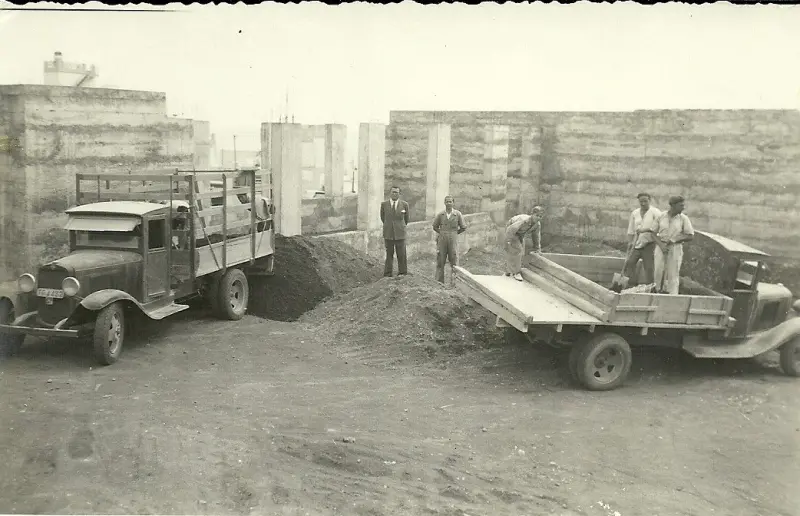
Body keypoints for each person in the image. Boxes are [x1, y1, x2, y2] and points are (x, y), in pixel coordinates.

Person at [652, 195, 695, 294]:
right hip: (660, 247)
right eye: (681, 205)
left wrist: (675, 240)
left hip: (675, 249)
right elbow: (652, 233)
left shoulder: (683, 219)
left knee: (673, 274)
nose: (683, 208)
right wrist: (661, 245)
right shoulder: (661, 216)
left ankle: (672, 296)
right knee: (658, 271)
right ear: (673, 206)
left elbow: (690, 236)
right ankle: (657, 292)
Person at [623, 193, 662, 285]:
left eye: (645, 201)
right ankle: (632, 284)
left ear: (650, 200)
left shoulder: (656, 212)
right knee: (630, 263)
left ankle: (650, 287)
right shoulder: (635, 213)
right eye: (641, 201)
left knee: (649, 267)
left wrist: (648, 231)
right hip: (637, 244)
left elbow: (660, 228)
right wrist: (630, 242)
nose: (643, 203)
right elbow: (631, 229)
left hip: (649, 244)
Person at [432, 195, 467, 283]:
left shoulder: (457, 214)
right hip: (442, 239)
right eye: (447, 202)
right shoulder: (441, 214)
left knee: (454, 260)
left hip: (453, 238)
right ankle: (439, 282)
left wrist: (454, 233)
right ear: (444, 203)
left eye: (450, 201)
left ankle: (454, 282)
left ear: (453, 203)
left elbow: (463, 227)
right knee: (440, 260)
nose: (448, 203)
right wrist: (442, 233)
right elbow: (434, 226)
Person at [504, 206, 543, 281]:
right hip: (512, 230)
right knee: (518, 250)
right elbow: (510, 229)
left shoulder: (537, 224)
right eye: (537, 215)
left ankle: (508, 271)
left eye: (540, 216)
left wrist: (537, 248)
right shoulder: (523, 220)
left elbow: (536, 236)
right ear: (532, 214)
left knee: (522, 252)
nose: (538, 218)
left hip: (520, 234)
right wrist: (508, 241)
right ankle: (516, 273)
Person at [380, 185, 410, 277]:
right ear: (390, 193)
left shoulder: (404, 205)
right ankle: (388, 274)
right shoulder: (384, 205)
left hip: (400, 233)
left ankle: (402, 273)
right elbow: (383, 218)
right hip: (388, 233)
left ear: (399, 194)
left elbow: (406, 219)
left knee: (401, 254)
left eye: (396, 192)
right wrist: (389, 226)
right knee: (389, 254)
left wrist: (399, 227)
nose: (394, 194)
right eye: (393, 192)